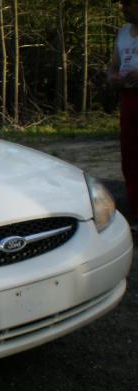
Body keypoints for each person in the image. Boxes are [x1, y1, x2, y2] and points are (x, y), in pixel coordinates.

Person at [109, 0, 138, 230]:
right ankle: (136, 212)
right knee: (130, 155)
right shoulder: (123, 33)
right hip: (128, 99)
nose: (124, 8)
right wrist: (113, 78)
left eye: (129, 3)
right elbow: (114, 66)